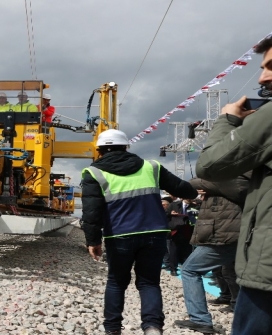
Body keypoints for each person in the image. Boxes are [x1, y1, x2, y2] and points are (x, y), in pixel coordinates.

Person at [81, 129, 197, 335]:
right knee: (149, 282)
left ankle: (113, 329)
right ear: (126, 147)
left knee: (116, 282)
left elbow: (92, 212)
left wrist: (93, 241)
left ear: (99, 150)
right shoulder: (152, 167)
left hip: (119, 236)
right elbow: (186, 191)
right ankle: (152, 327)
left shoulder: (93, 173)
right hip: (154, 233)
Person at [195, 36, 272, 335]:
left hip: (265, 267)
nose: (263, 77)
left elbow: (210, 164)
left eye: (270, 67)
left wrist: (227, 120)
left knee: (191, 270)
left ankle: (202, 317)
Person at [174, 174, 249, 333]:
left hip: (225, 235)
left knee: (190, 270)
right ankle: (239, 309)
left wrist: (208, 185)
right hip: (237, 234)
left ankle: (200, 319)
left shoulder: (227, 179)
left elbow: (192, 183)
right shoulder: (245, 179)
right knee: (233, 272)